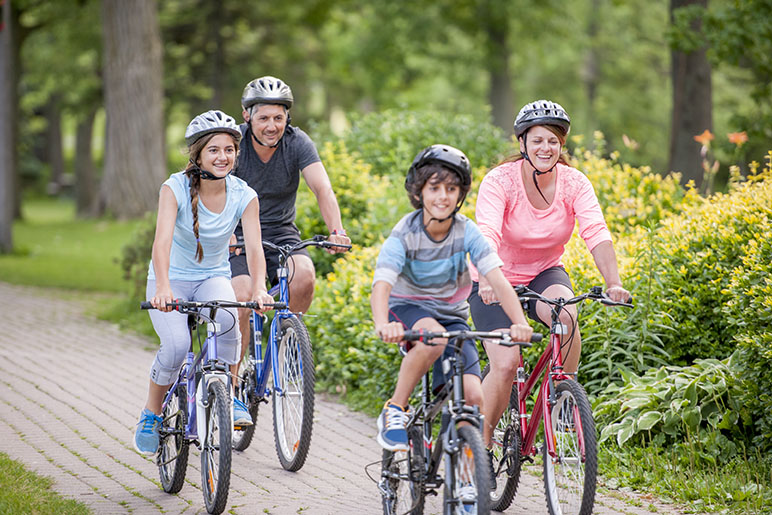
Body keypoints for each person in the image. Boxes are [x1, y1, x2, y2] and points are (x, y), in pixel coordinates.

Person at [468, 100, 631, 460]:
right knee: (507, 362)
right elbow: (487, 233)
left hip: (543, 273)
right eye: (538, 140)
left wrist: (613, 282)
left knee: (567, 317)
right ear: (523, 143)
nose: (546, 148)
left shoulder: (574, 183)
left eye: (554, 141)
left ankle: (561, 402)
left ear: (562, 145)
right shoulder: (500, 181)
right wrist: (488, 280)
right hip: (494, 279)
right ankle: (484, 440)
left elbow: (597, 232)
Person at [371, 144, 532, 452]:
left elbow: (497, 280)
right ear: (419, 192)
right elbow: (382, 285)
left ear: (460, 194)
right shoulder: (406, 231)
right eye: (434, 188)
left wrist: (519, 323)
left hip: (452, 316)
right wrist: (382, 323)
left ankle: (467, 484)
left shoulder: (466, 230)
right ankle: (395, 408)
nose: (442, 196)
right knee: (433, 336)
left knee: (473, 399)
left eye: (451, 188)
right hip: (407, 307)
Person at [134, 110, 274, 455]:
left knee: (228, 323)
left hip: (213, 276)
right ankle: (151, 413)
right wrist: (163, 287)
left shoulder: (244, 194)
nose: (222, 157)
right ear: (197, 155)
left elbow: (254, 248)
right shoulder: (175, 187)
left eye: (229, 150)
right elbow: (161, 241)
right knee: (178, 346)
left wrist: (258, 288)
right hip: (171, 280)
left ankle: (226, 393)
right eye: (213, 150)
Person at [229, 76, 350, 376]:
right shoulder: (233, 144)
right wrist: (227, 233)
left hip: (281, 233)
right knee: (242, 294)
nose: (272, 126)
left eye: (278, 118)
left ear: (287, 118)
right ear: (247, 116)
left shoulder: (297, 143)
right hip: (237, 236)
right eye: (264, 118)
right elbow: (213, 193)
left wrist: (336, 230)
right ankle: (236, 375)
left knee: (305, 277)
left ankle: (285, 341)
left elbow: (322, 189)